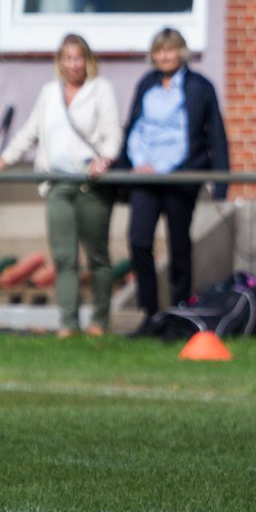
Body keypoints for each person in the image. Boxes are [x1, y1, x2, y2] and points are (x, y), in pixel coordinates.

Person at [0, 34, 122, 336]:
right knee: (65, 258)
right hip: (57, 185)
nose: (74, 64)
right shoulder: (48, 93)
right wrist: (5, 160)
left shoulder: (100, 90)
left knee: (97, 256)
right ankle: (68, 324)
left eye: (79, 58)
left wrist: (105, 159)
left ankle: (99, 322)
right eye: (68, 58)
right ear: (60, 61)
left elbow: (113, 132)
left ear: (88, 60)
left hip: (90, 186)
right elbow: (30, 132)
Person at [118, 27, 230, 319]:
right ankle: (150, 311)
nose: (164, 56)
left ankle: (181, 310)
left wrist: (220, 184)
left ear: (181, 53)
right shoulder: (147, 84)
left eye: (170, 50)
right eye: (159, 50)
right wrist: (132, 163)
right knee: (139, 240)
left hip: (181, 176)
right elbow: (135, 127)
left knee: (179, 243)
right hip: (146, 175)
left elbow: (216, 135)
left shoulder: (200, 87)